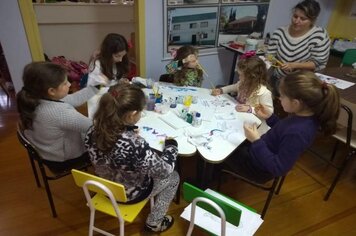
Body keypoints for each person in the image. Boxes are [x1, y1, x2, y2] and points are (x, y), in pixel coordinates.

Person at [85, 84, 179, 233]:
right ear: (132, 114)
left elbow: (113, 149)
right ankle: (155, 222)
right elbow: (164, 171)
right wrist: (172, 147)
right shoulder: (135, 144)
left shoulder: (91, 130)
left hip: (105, 187)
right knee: (173, 177)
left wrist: (128, 132)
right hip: (130, 194)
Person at [222, 71, 340, 184]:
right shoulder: (303, 116)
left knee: (221, 149)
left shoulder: (299, 133)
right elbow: (283, 131)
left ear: (295, 103)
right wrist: (270, 118)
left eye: (282, 96)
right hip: (259, 152)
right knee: (230, 139)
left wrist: (256, 141)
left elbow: (278, 168)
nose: (279, 99)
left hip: (259, 169)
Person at [16, 62, 101, 171]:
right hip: (61, 159)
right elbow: (94, 127)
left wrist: (97, 87)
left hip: (46, 150)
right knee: (104, 141)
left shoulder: (36, 97)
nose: (70, 84)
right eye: (65, 83)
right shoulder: (58, 112)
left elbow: (73, 99)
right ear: (51, 91)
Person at [266, 0, 331, 96]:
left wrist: (294, 65)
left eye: (303, 19)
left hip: (303, 84)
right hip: (279, 80)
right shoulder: (279, 32)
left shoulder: (319, 35)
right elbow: (270, 56)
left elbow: (318, 62)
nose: (297, 21)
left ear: (312, 20)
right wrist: (272, 62)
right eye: (295, 16)